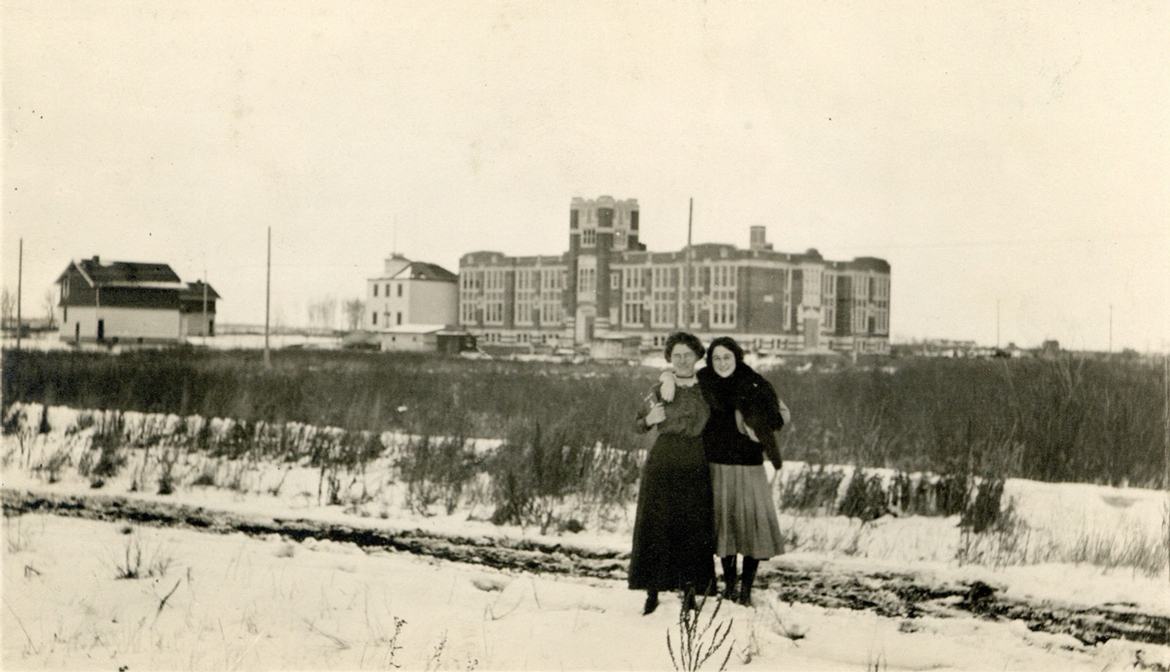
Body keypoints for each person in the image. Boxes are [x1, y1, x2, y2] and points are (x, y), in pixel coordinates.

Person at [628, 331, 716, 615]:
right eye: (676, 356)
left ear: (697, 357)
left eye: (687, 355)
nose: (681, 361)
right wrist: (648, 419)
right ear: (669, 358)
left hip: (695, 459)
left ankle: (690, 591)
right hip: (664, 460)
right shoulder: (658, 388)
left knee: (693, 525)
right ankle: (652, 592)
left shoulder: (707, 388)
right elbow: (637, 423)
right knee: (658, 523)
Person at [698, 336, 789, 607]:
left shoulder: (754, 382)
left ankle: (746, 589)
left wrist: (756, 427)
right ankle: (729, 586)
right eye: (716, 358)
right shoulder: (703, 383)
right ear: (710, 361)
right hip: (717, 466)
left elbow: (780, 415)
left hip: (749, 466)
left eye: (727, 357)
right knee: (725, 528)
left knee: (751, 528)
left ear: (737, 358)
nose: (722, 363)